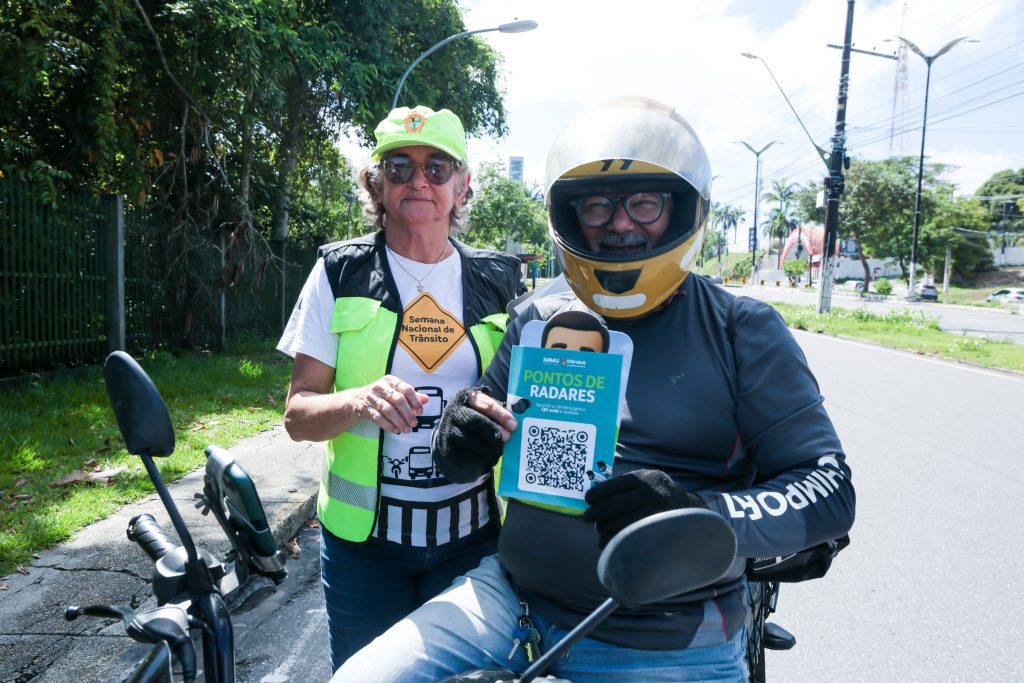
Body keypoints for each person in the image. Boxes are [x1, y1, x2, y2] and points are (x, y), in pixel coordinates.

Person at [331, 96, 855, 682]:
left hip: (666, 633)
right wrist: (461, 434)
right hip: (511, 600)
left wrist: (696, 512)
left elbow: (829, 490)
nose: (621, 223)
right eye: (599, 206)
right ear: (571, 217)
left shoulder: (741, 329)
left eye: (645, 204)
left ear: (682, 210)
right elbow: (471, 443)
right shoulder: (537, 317)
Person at [277, 104, 524, 671]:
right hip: (365, 552)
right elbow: (297, 415)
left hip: (473, 541)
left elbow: (525, 399)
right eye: (399, 167)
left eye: (437, 167)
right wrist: (357, 400)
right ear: (377, 184)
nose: (419, 180)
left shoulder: (499, 278)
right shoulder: (338, 273)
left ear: (462, 186)